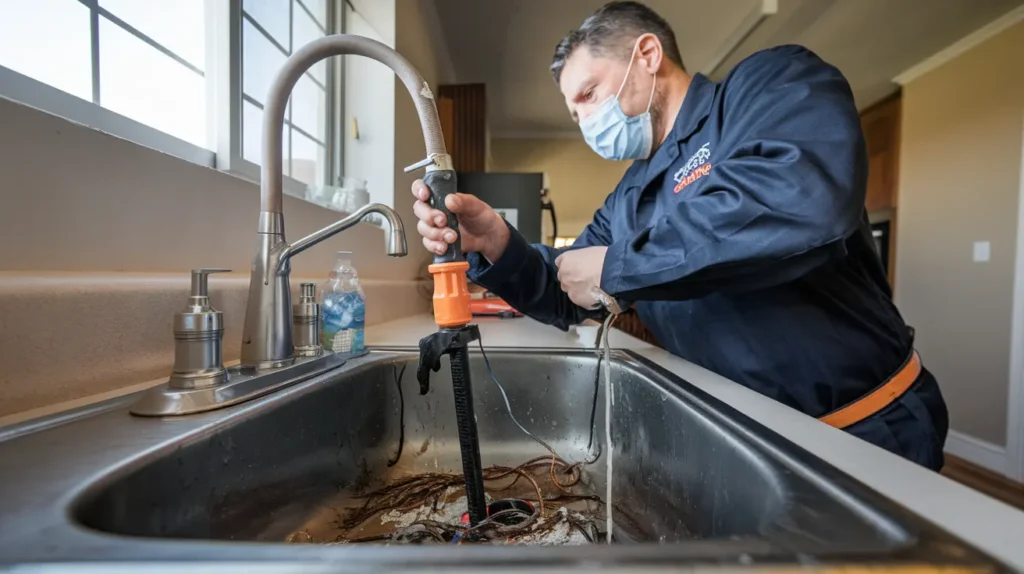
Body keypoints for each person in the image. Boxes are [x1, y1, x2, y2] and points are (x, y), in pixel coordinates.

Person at [410, 1, 948, 470]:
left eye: (590, 93)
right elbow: (566, 288)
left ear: (647, 55)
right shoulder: (630, 196)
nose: (586, 122)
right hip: (750, 440)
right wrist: (496, 242)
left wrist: (618, 267)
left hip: (866, 429)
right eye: (575, 115)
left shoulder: (767, 86)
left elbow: (800, 200)